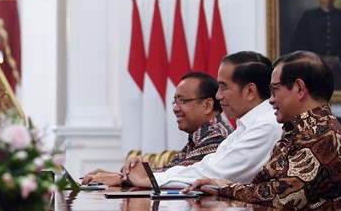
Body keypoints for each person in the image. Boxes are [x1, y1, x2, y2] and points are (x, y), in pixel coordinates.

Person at [188, 50, 341, 211]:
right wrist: (225, 185)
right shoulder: (299, 131)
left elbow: (280, 196)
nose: (270, 100)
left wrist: (225, 188)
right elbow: (264, 185)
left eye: (275, 90)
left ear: (299, 89)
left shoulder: (323, 136)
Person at [113, 51, 282, 189]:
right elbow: (204, 166)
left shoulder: (266, 125)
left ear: (250, 91)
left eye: (223, 87)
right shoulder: (246, 126)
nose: (218, 95)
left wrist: (149, 179)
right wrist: (145, 177)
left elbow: (214, 173)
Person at [84, 72, 232, 186]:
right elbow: (173, 170)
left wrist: (121, 178)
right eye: (175, 101)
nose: (175, 108)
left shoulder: (216, 134)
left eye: (183, 101)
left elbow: (183, 177)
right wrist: (120, 174)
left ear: (207, 105)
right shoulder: (200, 134)